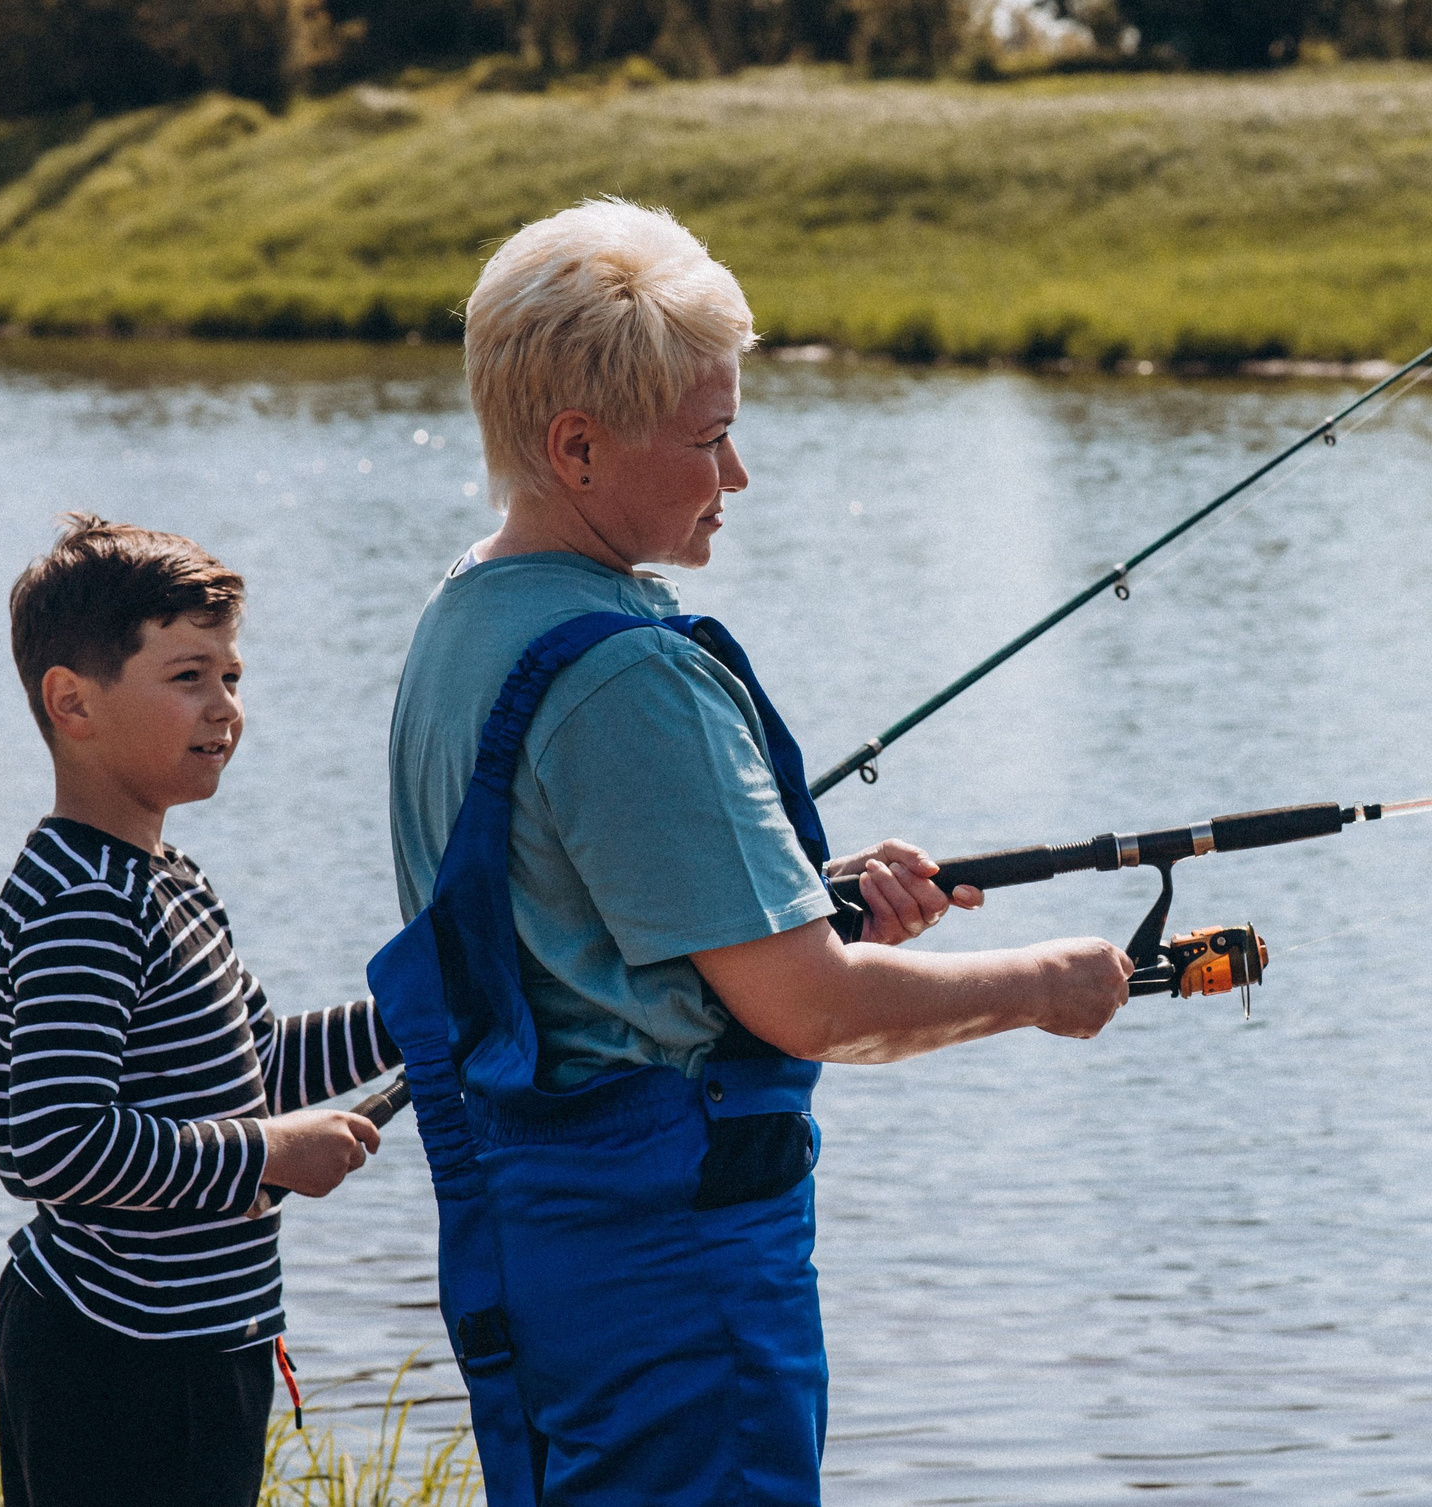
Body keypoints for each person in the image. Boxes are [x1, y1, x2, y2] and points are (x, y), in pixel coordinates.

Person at [378, 198, 1132, 1506]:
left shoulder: (464, 622)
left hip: (537, 1239)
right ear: (577, 447)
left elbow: (568, 926)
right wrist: (1043, 985)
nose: (736, 476)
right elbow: (811, 1007)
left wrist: (796, 899)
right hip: (673, 1260)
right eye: (708, 438)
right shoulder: (630, 678)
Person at [0, 515, 402, 1507]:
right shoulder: (84, 900)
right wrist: (268, 1153)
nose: (225, 707)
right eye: (188, 676)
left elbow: (257, 1064)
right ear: (72, 702)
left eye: (232, 676)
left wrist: (416, 1017)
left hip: (198, 1342)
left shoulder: (166, 876)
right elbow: (51, 1146)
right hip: (118, 1356)